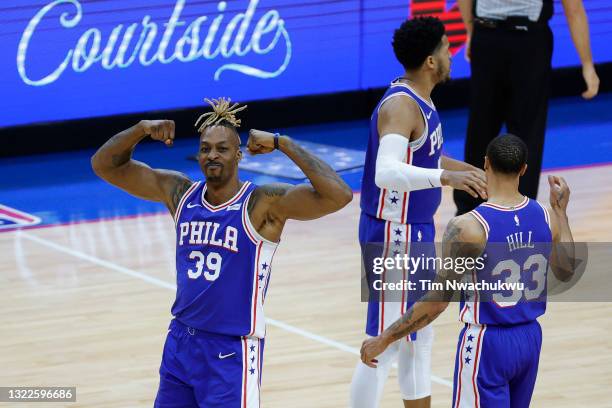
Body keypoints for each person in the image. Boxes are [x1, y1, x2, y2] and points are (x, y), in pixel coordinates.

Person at [90, 97, 353, 407]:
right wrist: (139, 130)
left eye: (222, 149)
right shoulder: (180, 193)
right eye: (205, 148)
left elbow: (339, 195)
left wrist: (284, 143)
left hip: (231, 351)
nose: (212, 155)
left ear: (238, 155)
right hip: (180, 343)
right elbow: (104, 165)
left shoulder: (262, 204)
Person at [361, 134, 576, 407]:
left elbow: (437, 301)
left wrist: (385, 338)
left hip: (487, 343)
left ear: (485, 164)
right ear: (524, 169)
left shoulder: (468, 228)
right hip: (530, 339)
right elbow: (567, 271)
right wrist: (561, 212)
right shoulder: (547, 216)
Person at [352, 17, 487, 408]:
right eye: (446, 48)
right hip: (393, 234)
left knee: (418, 334)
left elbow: (421, 156)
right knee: (386, 342)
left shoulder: (420, 98)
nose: (451, 54)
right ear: (430, 60)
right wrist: (447, 178)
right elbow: (387, 171)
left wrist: (465, 171)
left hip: (415, 230)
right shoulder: (401, 105)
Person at [454, 0, 600, 215]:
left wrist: (472, 29)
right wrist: (587, 64)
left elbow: (573, 8)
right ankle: (508, 215)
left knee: (489, 130)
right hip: (516, 40)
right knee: (514, 132)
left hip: (501, 38)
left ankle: (482, 213)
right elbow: (574, 9)